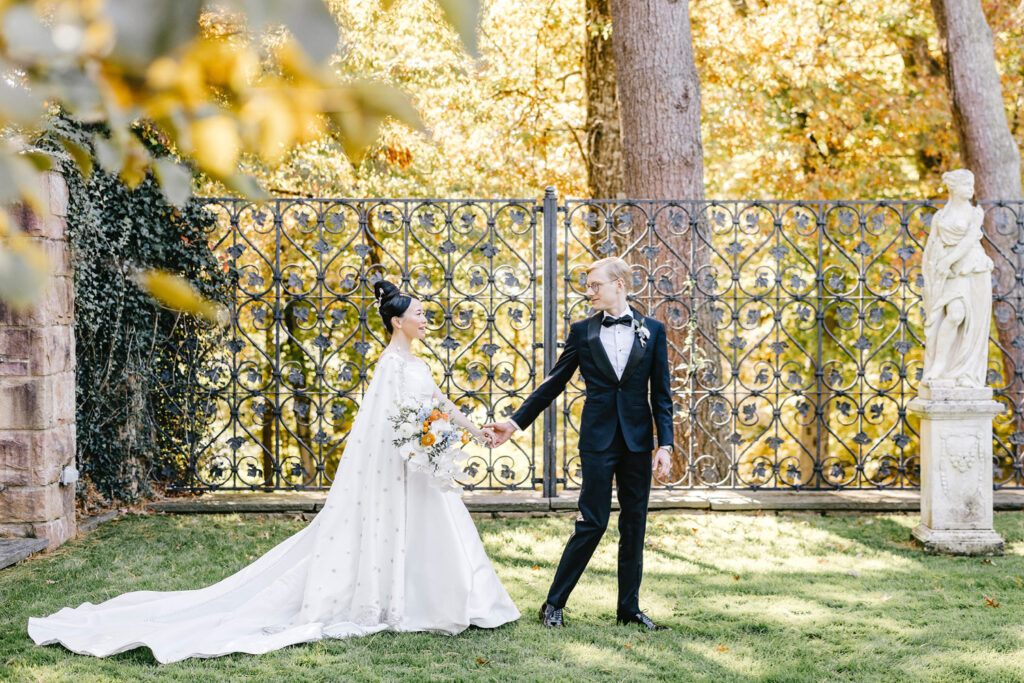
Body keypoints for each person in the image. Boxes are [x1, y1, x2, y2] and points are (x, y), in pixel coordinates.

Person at [28, 279, 519, 664]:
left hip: (421, 464)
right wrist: (418, 444)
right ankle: (405, 601)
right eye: (418, 314)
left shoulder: (416, 364)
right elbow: (387, 427)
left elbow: (438, 405)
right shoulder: (390, 366)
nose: (425, 318)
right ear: (397, 323)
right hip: (402, 466)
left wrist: (476, 431)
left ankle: (451, 600)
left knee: (440, 525)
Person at [485, 256, 674, 630]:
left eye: (595, 285)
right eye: (588, 286)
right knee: (593, 522)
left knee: (634, 524)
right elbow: (553, 383)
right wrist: (514, 422)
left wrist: (664, 445)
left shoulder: (653, 330)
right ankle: (553, 604)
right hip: (598, 441)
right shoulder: (582, 332)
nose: (589, 292)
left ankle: (629, 609)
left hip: (638, 441)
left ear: (619, 284)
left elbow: (662, 396)